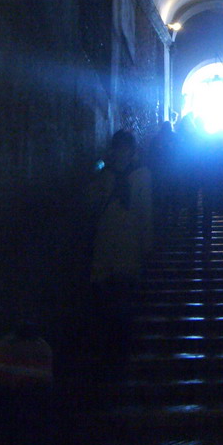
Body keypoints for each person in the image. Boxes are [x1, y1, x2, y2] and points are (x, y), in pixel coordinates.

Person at [87, 130, 152, 394]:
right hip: (111, 253)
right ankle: (113, 363)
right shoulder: (108, 175)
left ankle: (117, 364)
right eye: (119, 148)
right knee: (111, 309)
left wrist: (146, 246)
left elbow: (144, 215)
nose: (121, 152)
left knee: (120, 309)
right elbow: (89, 203)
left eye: (123, 148)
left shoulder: (138, 176)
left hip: (121, 252)